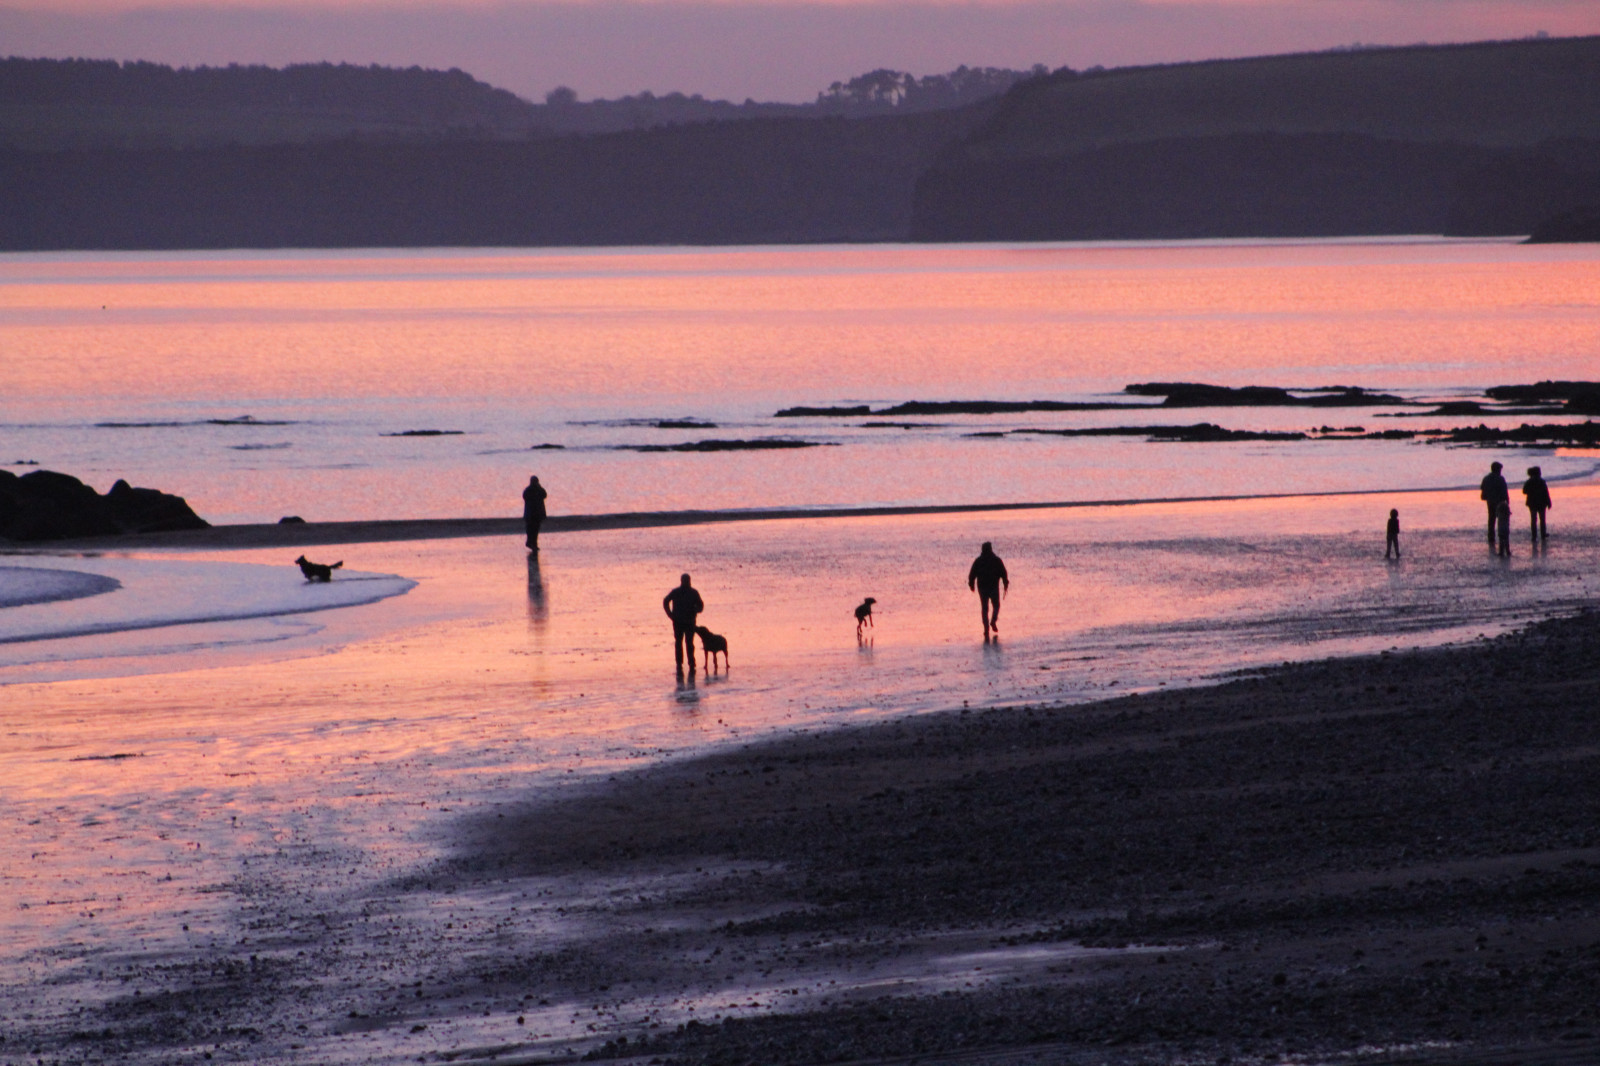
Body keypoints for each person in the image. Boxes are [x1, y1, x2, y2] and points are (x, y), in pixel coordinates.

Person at [662, 573, 705, 673]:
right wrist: (670, 614)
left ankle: (691, 663)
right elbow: (665, 601)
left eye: (687, 580)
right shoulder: (677, 592)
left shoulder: (693, 592)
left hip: (689, 621)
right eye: (685, 580)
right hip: (678, 621)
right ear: (682, 581)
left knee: (688, 643)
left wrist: (697, 610)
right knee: (679, 642)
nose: (686, 582)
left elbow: (701, 605)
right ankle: (680, 663)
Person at [966, 541, 1009, 640]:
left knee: (984, 608)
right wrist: (1005, 582)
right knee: (996, 605)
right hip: (993, 586)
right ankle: (993, 620)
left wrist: (971, 584)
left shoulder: (978, 561)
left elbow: (972, 574)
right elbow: (1003, 573)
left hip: (982, 588)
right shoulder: (996, 560)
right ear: (991, 549)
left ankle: (986, 629)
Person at [1479, 461, 1508, 545]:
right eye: (1500, 469)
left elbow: (1482, 488)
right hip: (1499, 502)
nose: (1500, 471)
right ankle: (1501, 536)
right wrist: (1507, 501)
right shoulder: (1500, 478)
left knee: (1491, 519)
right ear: (1498, 469)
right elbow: (1504, 491)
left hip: (1490, 501)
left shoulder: (1486, 478)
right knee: (1501, 520)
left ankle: (1491, 536)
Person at [1522, 465, 1551, 541]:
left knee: (1533, 520)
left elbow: (1524, 491)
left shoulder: (1529, 481)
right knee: (1542, 519)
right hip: (1542, 502)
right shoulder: (1541, 481)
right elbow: (1546, 493)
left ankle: (1534, 536)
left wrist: (1531, 491)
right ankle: (1543, 534)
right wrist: (1549, 502)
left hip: (1532, 503)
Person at [522, 475, 548, 553]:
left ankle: (532, 543)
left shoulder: (530, 490)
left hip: (532, 514)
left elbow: (544, 495)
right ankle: (532, 543)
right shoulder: (533, 490)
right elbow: (544, 495)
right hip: (533, 514)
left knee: (532, 529)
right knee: (533, 530)